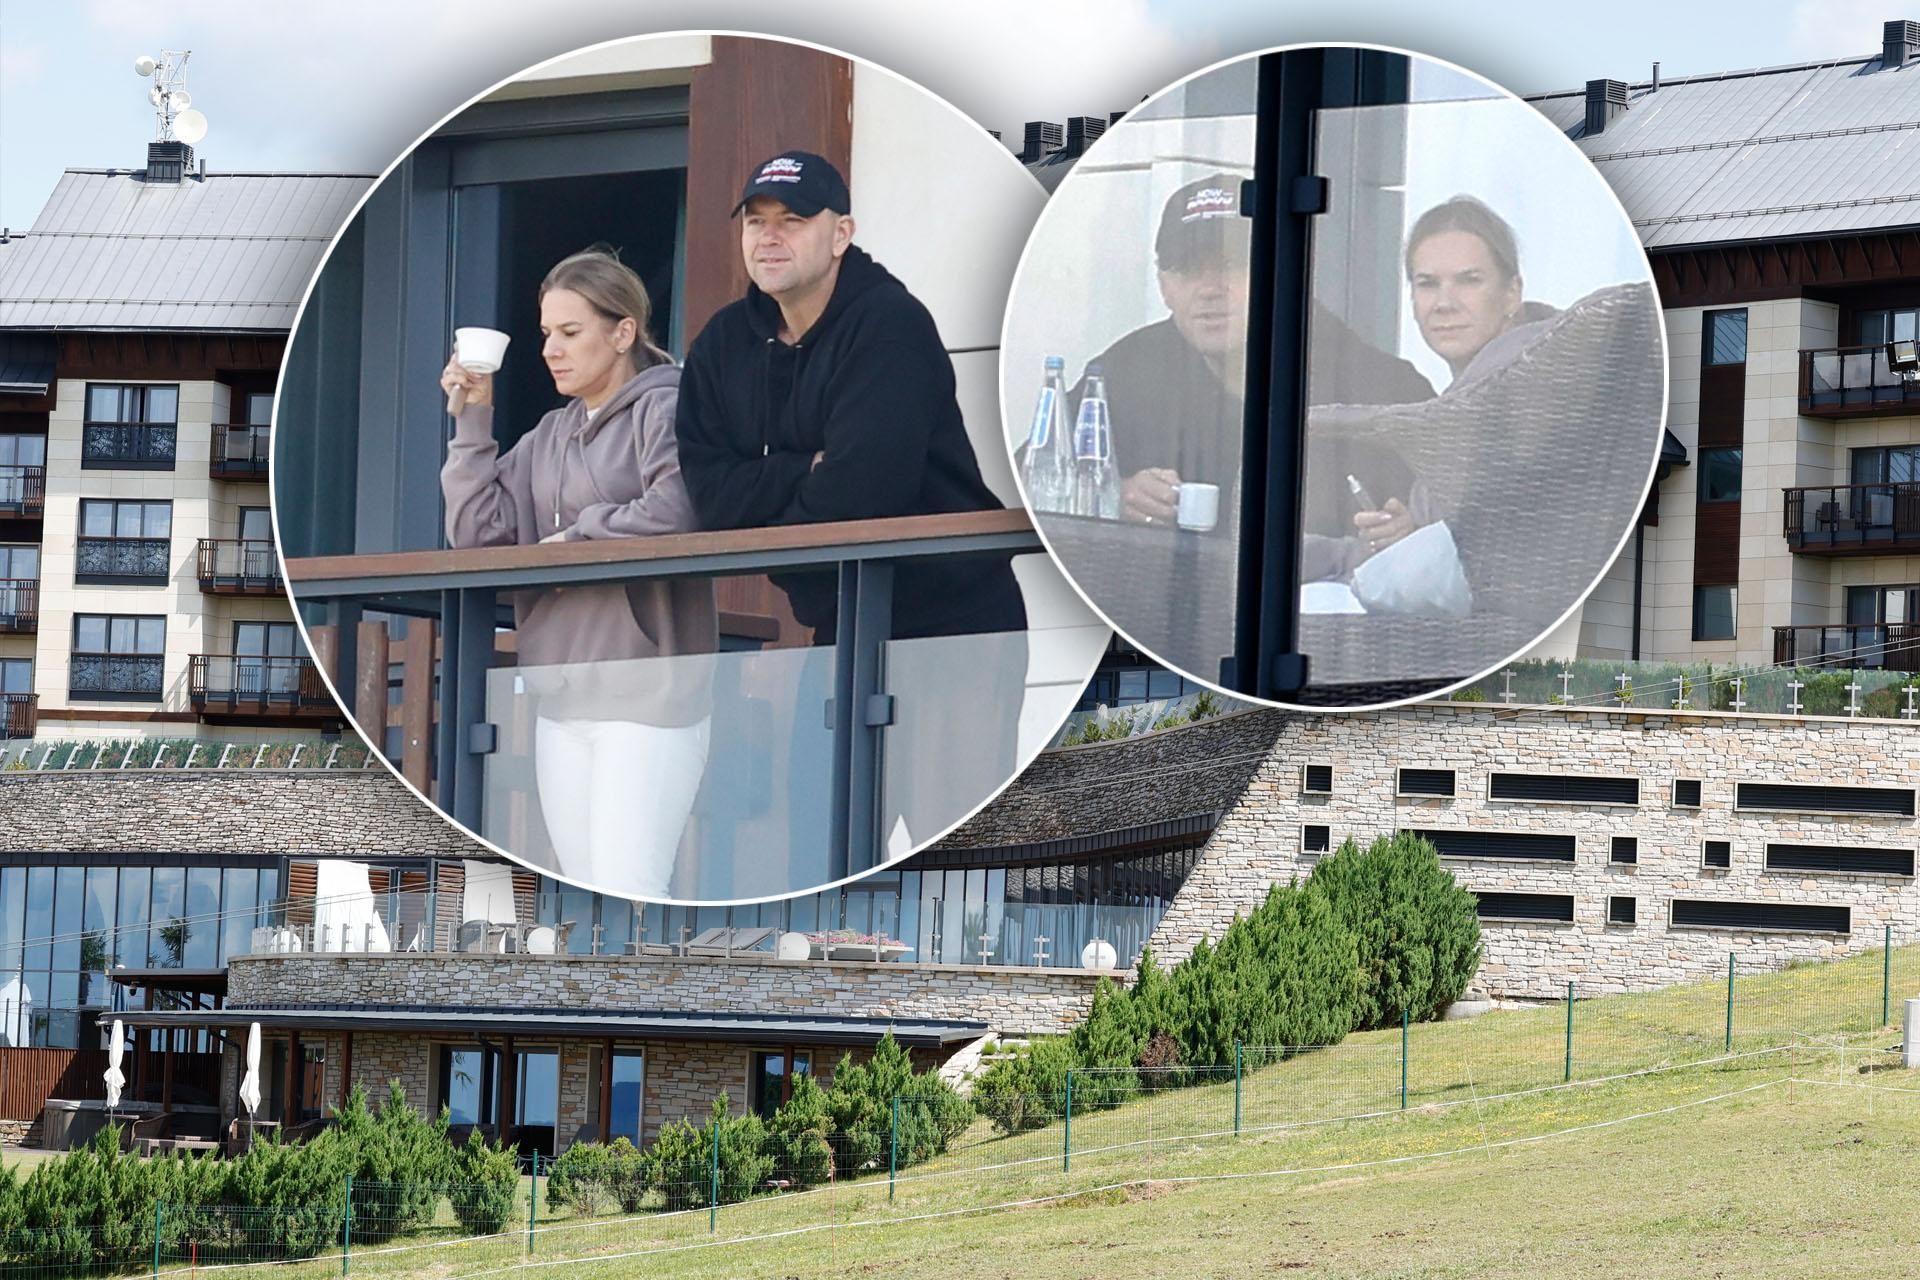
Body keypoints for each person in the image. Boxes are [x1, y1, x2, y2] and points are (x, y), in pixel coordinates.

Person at [674, 151, 1028, 871]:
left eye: (793, 221)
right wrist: (803, 471)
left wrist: (768, 491)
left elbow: (864, 494)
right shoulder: (722, 347)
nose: (769, 238)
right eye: (756, 221)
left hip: (952, 625)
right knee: (821, 852)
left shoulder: (889, 324)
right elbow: (708, 498)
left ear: (841, 234)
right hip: (840, 622)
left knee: (953, 865)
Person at [440, 247, 716, 900]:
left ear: (622, 332)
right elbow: (477, 535)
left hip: (649, 701)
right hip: (562, 705)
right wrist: (474, 420)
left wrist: (577, 535)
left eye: (570, 333)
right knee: (587, 902)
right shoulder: (548, 434)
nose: (550, 351)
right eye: (545, 335)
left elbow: (677, 506)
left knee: (630, 891)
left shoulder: (668, 406)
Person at [1076, 175, 1434, 572]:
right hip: (1163, 613)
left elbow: (1456, 528)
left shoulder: (1381, 387)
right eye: (1188, 269)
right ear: (1164, 286)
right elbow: (1035, 481)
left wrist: (1413, 532)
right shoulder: (1127, 369)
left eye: (1232, 264)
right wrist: (1111, 496)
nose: (1210, 289)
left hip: (1316, 623)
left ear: (1283, 269)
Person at [1405, 195, 1558, 386]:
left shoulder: (1545, 387)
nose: (1444, 303)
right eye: (1428, 284)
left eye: (1469, 281)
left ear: (1512, 293)